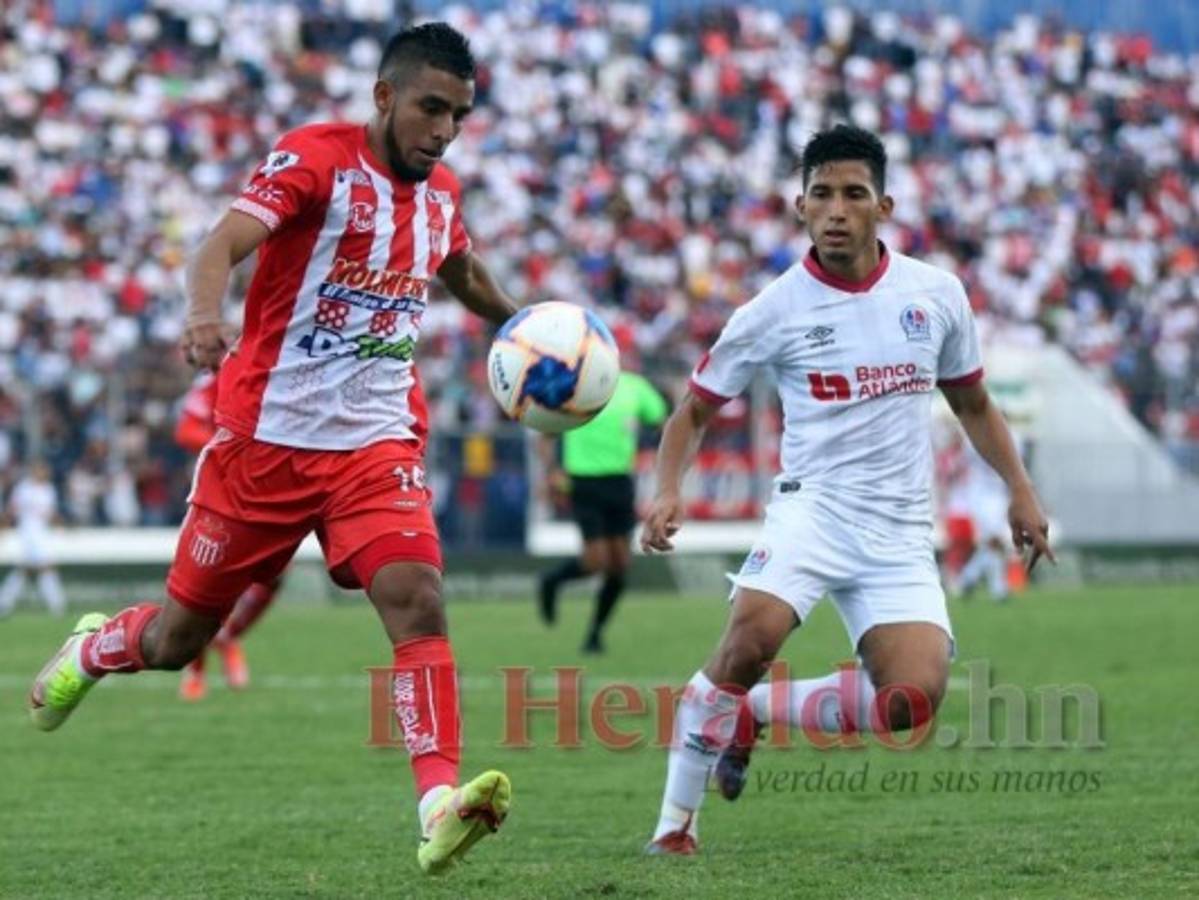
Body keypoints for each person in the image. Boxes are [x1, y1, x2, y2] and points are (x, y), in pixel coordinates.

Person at [28, 24, 517, 875]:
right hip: (265, 444)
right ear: (384, 97)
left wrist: (525, 328)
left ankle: (438, 801)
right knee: (180, 638)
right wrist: (203, 315)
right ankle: (97, 648)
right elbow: (218, 243)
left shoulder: (440, 198)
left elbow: (462, 272)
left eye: (459, 117)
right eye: (430, 109)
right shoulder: (313, 160)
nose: (442, 131)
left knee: (417, 600)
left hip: (375, 444)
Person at [640, 125, 1054, 855]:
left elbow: (973, 404)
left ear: (883, 205)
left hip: (897, 531)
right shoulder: (772, 309)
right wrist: (667, 489)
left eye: (852, 194)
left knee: (910, 698)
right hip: (813, 512)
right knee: (748, 641)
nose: (836, 208)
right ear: (799, 206)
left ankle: (754, 714)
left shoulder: (935, 295)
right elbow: (694, 410)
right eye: (821, 194)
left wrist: (1019, 492)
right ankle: (675, 826)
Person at [536, 355, 669, 653]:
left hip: (620, 482)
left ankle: (594, 634)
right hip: (583, 481)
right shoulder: (572, 386)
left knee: (620, 564)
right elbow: (545, 435)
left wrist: (663, 456)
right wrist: (552, 471)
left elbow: (661, 421)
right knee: (596, 561)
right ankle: (551, 581)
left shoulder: (635, 386)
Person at [173, 372, 281, 700]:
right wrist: (229, 441)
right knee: (206, 580)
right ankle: (196, 670)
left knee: (273, 577)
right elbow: (186, 430)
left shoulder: (279, 372)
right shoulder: (214, 382)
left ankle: (227, 637)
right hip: (221, 493)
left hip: (272, 490)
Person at [0, 461, 67, 617]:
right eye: (42, 470)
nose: (44, 474)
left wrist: (61, 524)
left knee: (37, 568)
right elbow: (12, 509)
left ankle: (56, 604)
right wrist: (3, 526)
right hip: (27, 534)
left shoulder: (49, 490)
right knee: (31, 569)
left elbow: (50, 513)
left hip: (42, 535)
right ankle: (56, 605)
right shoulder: (23, 488)